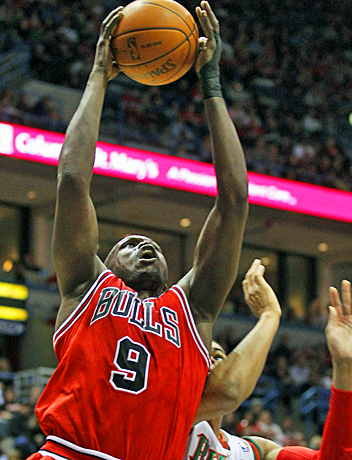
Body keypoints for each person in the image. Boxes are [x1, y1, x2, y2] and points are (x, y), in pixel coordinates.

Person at [28, 2, 248, 460]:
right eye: (128, 244)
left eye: (151, 245)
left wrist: (211, 85)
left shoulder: (194, 310)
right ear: (104, 263)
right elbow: (71, 179)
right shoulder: (86, 288)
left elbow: (234, 202)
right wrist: (98, 75)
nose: (145, 244)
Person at [185, 280, 352, 460]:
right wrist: (269, 315)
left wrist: (345, 365)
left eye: (218, 357)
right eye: (201, 356)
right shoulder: (168, 418)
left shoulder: (251, 451)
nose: (210, 361)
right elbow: (229, 392)